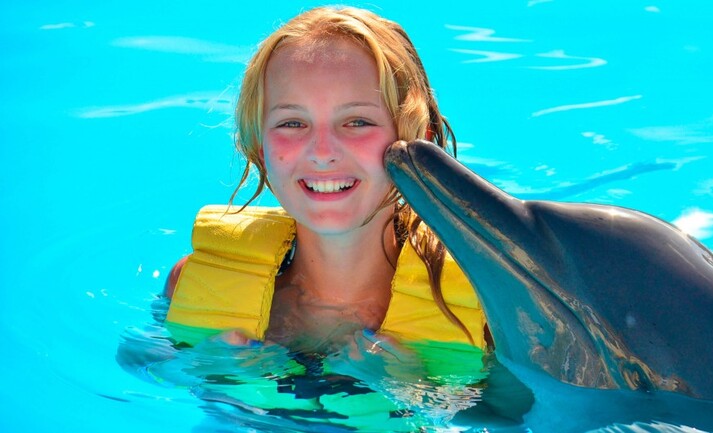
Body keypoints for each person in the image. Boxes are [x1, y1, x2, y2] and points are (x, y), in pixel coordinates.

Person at [163, 6, 491, 359]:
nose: (321, 152)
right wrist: (208, 374)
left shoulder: (485, 309)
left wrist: (414, 396)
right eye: (292, 123)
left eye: (357, 121)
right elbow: (146, 370)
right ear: (262, 147)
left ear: (416, 143)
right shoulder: (195, 282)